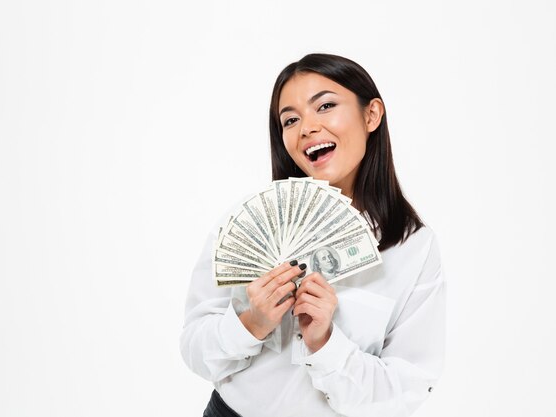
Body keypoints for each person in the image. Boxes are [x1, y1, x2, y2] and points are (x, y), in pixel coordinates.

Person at [180, 53, 446, 417]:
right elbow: (195, 350)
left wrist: (325, 343)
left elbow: (403, 393)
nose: (306, 127)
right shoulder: (251, 220)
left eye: (325, 106)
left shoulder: (414, 248)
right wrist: (251, 324)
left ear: (371, 115)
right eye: (290, 119)